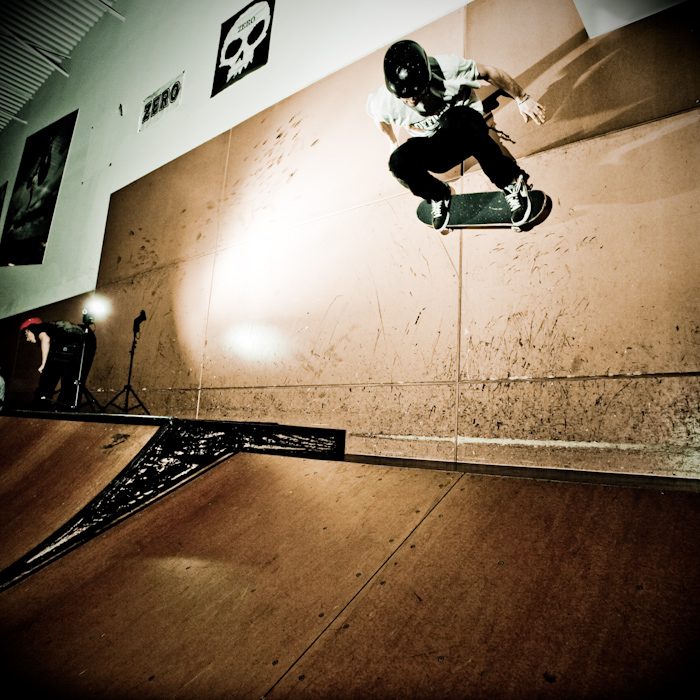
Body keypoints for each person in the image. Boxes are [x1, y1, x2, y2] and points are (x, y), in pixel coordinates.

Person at [367, 40, 546, 231]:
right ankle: (439, 194)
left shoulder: (448, 68)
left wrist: (522, 98)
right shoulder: (381, 102)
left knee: (455, 118)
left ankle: (510, 181)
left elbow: (488, 72)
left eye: (417, 93)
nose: (411, 100)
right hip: (435, 148)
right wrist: (392, 142)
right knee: (397, 162)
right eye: (404, 97)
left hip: (467, 131)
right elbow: (378, 118)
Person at [20, 317, 96, 411]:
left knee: (48, 376)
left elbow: (45, 339)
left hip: (69, 339)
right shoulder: (54, 330)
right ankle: (65, 408)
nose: (27, 339)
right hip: (85, 339)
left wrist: (43, 364)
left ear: (28, 330)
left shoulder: (37, 327)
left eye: (26, 335)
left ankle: (40, 407)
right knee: (71, 378)